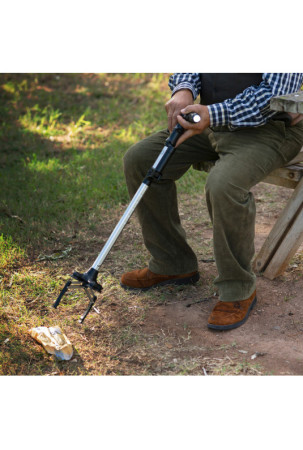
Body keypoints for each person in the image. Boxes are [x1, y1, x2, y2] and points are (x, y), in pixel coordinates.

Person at [120, 73, 303, 331]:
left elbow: (272, 95)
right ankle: (173, 264)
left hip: (269, 130)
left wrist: (211, 114)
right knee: (140, 159)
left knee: (224, 184)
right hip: (212, 124)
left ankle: (237, 289)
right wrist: (183, 89)